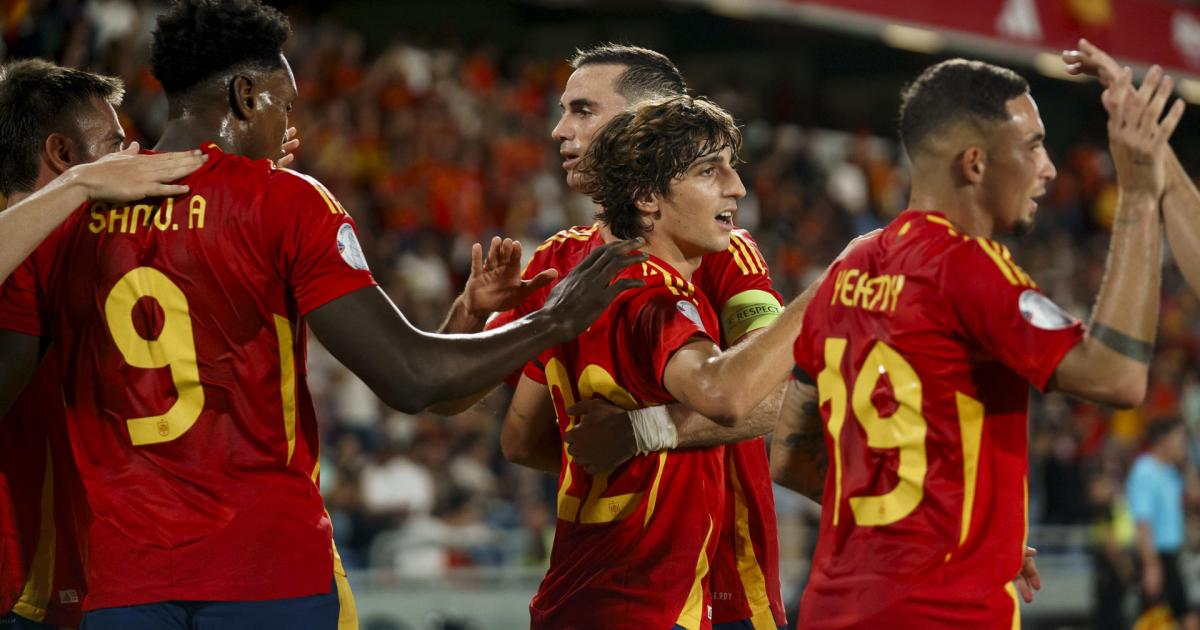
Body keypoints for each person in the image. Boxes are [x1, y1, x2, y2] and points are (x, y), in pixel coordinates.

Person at [0, 1, 643, 629]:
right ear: (246, 96)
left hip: (122, 581)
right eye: (283, 105)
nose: (286, 124)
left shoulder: (65, 219)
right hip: (265, 569)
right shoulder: (285, 200)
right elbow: (412, 378)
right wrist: (555, 320)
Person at [777, 58, 1180, 627]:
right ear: (975, 163)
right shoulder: (967, 266)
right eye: (1033, 147)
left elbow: (788, 457)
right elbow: (1118, 375)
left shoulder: (846, 269)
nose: (1048, 168)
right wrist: (1138, 192)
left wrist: (956, 530)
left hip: (833, 611)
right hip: (945, 616)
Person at [438, 44, 797, 630]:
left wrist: (637, 435)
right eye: (564, 111)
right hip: (658, 591)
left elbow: (773, 397)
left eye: (583, 111)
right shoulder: (561, 260)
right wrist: (469, 313)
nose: (560, 130)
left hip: (724, 578)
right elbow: (461, 401)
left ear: (647, 122)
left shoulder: (723, 253)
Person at [0, 58, 215, 630]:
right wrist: (81, 185)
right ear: (61, 154)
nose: (132, 156)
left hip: (86, 579)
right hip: (16, 586)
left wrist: (247, 169)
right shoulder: (24, 256)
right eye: (115, 145)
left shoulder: (87, 246)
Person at [1126, 419, 1199, 629]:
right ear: (1163, 440)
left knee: (1187, 618)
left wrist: (1187, 466)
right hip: (1155, 556)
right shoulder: (1144, 471)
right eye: (1179, 438)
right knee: (1154, 620)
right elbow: (1143, 521)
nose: (1183, 444)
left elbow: (1195, 498)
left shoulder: (1171, 472)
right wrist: (1151, 565)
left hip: (1172, 555)